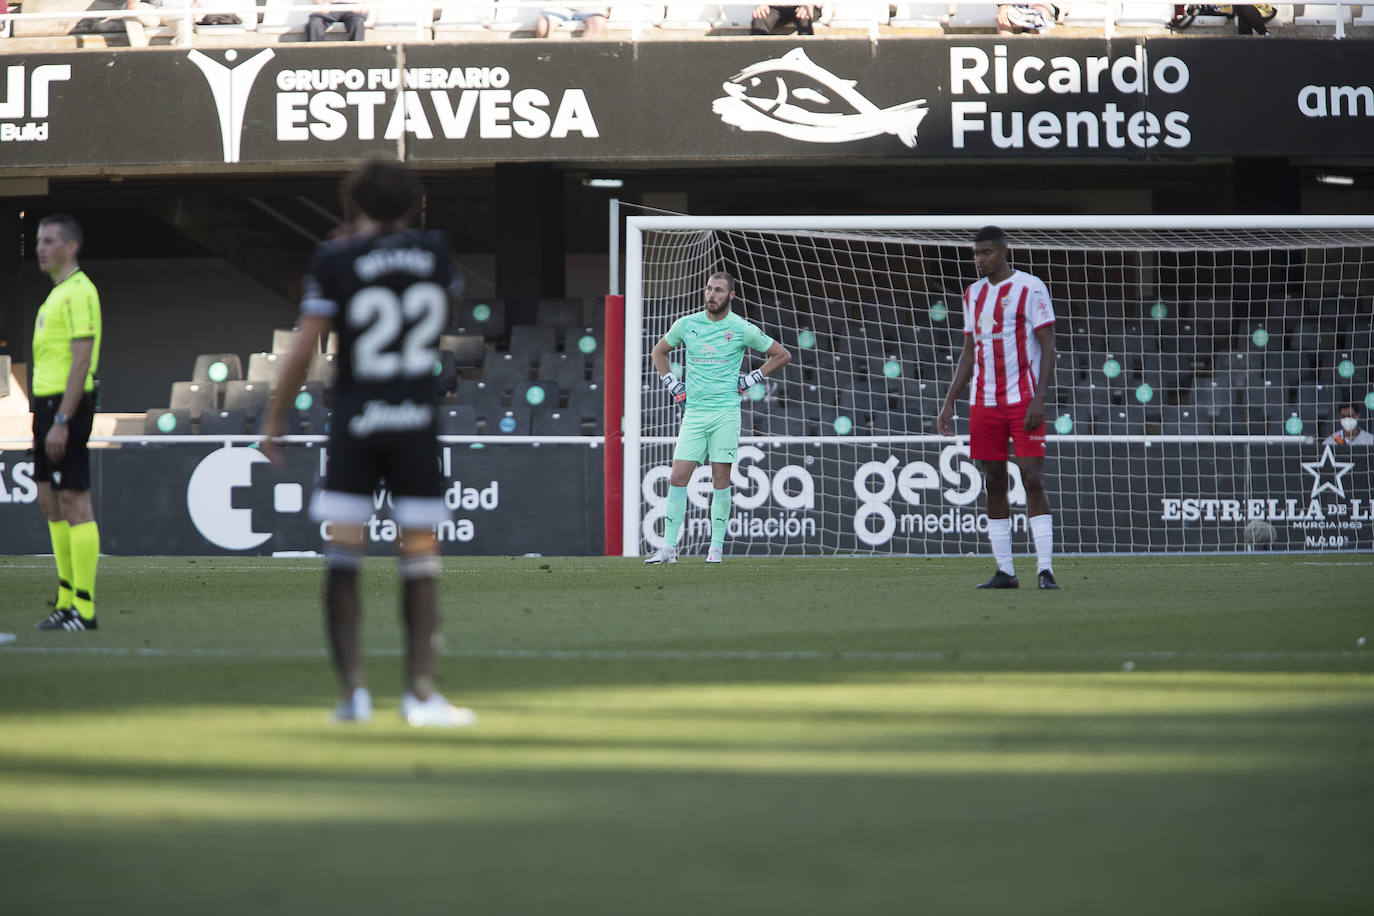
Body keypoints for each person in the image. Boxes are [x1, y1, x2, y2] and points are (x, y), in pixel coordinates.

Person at [261, 159, 473, 728]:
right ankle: (420, 696)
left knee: (343, 554)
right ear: (413, 203)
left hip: (356, 422)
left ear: (350, 205)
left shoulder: (334, 258)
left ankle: (352, 695)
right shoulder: (436, 253)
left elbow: (305, 347)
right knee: (421, 558)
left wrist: (275, 417)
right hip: (415, 423)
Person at [938, 226, 1059, 590]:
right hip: (983, 402)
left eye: (986, 252)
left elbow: (1049, 346)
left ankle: (1045, 569)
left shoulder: (1031, 287)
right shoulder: (972, 294)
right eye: (976, 253)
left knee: (1032, 479)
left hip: (1023, 400)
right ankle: (1005, 571)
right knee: (993, 482)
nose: (979, 259)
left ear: (1004, 252)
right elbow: (969, 351)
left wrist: (1039, 398)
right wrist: (948, 402)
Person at [645, 272, 791, 565]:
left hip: (725, 413)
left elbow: (781, 354)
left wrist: (751, 379)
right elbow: (658, 352)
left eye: (719, 290)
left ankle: (716, 548)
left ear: (731, 295)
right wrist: (673, 384)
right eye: (709, 289)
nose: (712, 294)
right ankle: (669, 548)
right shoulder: (687, 324)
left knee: (721, 479)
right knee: (677, 476)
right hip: (694, 413)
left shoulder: (740, 328)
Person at [32, 215, 103, 631]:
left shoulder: (80, 292)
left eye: (48, 240)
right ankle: (65, 601)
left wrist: (62, 419)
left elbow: (82, 360)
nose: (40, 247)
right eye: (39, 240)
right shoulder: (57, 295)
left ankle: (86, 609)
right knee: (49, 502)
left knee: (75, 502)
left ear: (71, 246)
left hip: (66, 406)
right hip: (45, 405)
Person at [119, 0, 188, 47]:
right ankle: (140, 53)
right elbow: (131, 5)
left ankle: (180, 56)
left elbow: (196, 4)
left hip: (178, 12)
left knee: (184, 22)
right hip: (154, 11)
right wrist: (132, 4)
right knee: (130, 13)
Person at [535, 6, 608, 38]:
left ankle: (585, 58)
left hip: (590, 4)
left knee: (597, 22)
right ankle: (547, 58)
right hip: (558, 4)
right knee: (543, 27)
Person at [751, 4, 816, 35]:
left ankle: (807, 56)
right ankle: (758, 57)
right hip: (775, 6)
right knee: (760, 18)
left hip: (805, 5)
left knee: (805, 19)